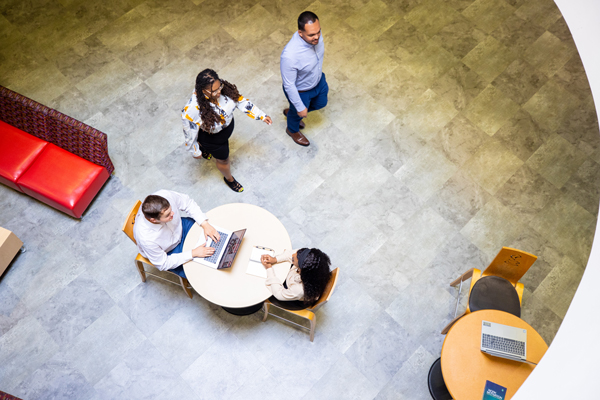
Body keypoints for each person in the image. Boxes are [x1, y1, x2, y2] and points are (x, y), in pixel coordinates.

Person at [182, 69, 272, 192]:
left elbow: (240, 101)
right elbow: (189, 131)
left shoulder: (224, 90)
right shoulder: (192, 109)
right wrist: (194, 151)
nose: (219, 92)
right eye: (215, 91)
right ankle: (229, 179)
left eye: (220, 87)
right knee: (223, 159)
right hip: (212, 138)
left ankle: (205, 150)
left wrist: (260, 115)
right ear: (203, 90)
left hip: (226, 129)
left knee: (214, 151)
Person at [133, 189, 220, 278]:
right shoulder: (146, 239)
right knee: (199, 273)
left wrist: (204, 223)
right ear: (153, 220)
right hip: (169, 251)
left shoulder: (164, 195)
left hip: (182, 227)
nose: (173, 213)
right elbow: (163, 264)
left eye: (171, 210)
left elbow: (187, 202)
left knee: (216, 235)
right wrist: (193, 253)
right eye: (168, 215)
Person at [280, 11, 328, 147]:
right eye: (311, 35)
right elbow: (289, 85)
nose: (317, 37)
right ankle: (292, 129)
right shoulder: (290, 56)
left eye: (318, 32)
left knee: (321, 103)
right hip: (302, 91)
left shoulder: (316, 36)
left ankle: (293, 112)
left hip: (318, 80)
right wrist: (300, 106)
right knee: (298, 112)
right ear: (300, 33)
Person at [261, 248, 332, 310]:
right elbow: (292, 254)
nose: (292, 255)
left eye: (293, 260)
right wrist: (275, 259)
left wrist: (269, 268)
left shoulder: (298, 289)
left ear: (301, 270)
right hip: (298, 286)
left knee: (264, 289)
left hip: (293, 299)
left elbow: (279, 294)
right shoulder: (311, 258)